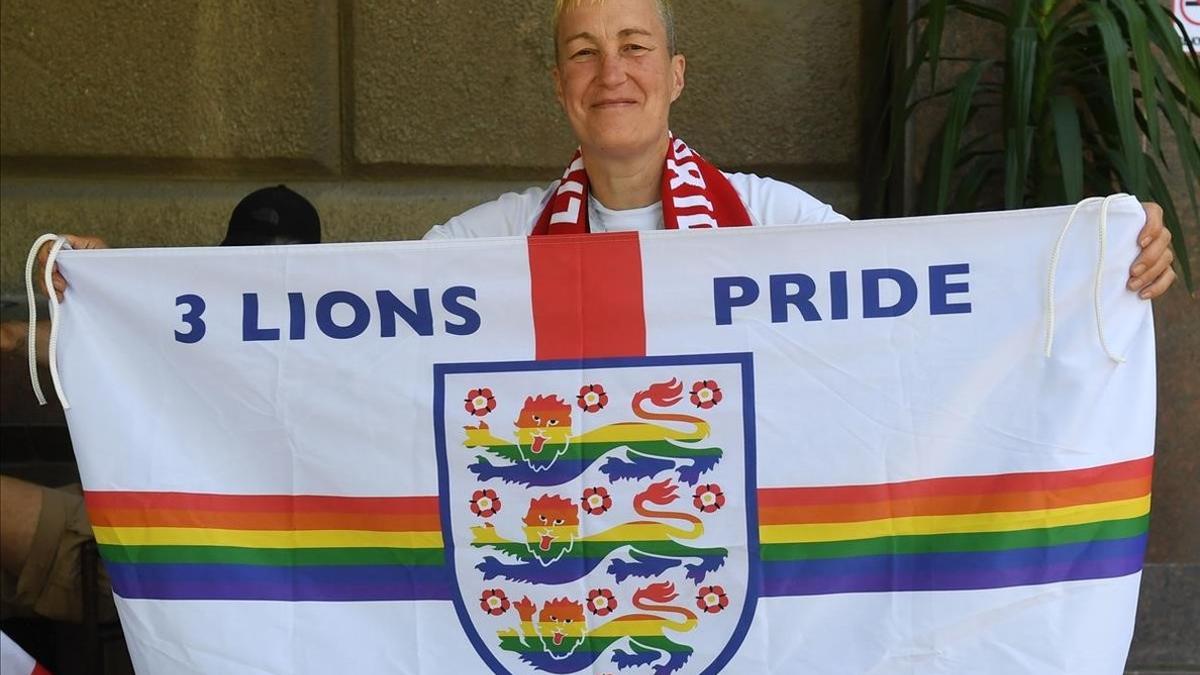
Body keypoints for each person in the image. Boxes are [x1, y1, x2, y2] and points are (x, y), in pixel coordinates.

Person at [37, 0, 1178, 299]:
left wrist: (1097, 259)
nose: (611, 71)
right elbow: (337, 300)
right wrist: (121, 279)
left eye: (635, 46)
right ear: (560, 89)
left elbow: (926, 294)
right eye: (583, 52)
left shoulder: (775, 220)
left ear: (676, 75)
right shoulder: (494, 237)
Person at [3, 185, 322, 623]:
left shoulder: (333, 360)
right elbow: (23, 340)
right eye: (243, 270)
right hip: (140, 530)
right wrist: (96, 293)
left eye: (270, 273)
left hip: (182, 564)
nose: (255, 290)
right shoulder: (202, 330)